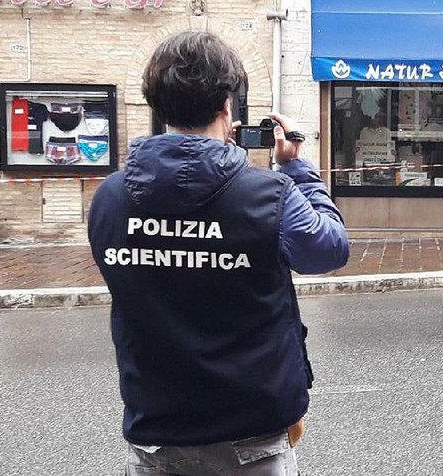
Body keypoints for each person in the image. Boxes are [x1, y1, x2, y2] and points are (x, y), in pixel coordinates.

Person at [87, 31, 350, 475]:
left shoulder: (110, 198)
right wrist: (296, 168)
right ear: (228, 106)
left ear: (159, 105)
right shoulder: (269, 194)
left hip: (157, 432)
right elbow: (328, 250)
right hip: (250, 432)